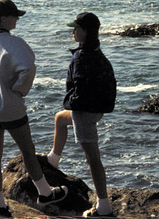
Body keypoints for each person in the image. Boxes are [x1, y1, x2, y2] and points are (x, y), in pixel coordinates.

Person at [0, 0, 68, 219]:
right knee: (27, 151)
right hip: (9, 106)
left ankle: (0, 208)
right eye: (14, 15)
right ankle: (45, 193)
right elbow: (28, 67)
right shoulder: (14, 43)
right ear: (3, 18)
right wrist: (19, 90)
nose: (17, 19)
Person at [47, 12, 117, 218]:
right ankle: (53, 159)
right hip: (96, 109)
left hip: (84, 111)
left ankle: (103, 207)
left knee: (93, 159)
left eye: (76, 28)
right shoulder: (96, 52)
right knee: (60, 118)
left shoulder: (82, 57)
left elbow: (80, 88)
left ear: (85, 31)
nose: (72, 32)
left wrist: (72, 103)